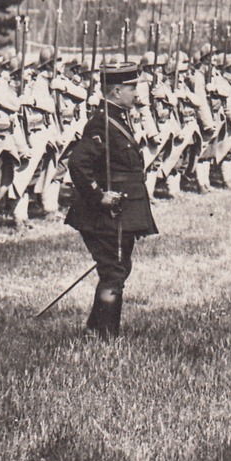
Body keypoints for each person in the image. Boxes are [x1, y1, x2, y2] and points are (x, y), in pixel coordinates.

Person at [65, 61, 157, 337]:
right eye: (131, 88)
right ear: (116, 91)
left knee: (116, 268)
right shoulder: (101, 122)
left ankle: (96, 329)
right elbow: (77, 163)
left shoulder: (116, 117)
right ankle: (105, 336)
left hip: (120, 211)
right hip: (105, 214)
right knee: (114, 271)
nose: (136, 94)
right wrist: (99, 196)